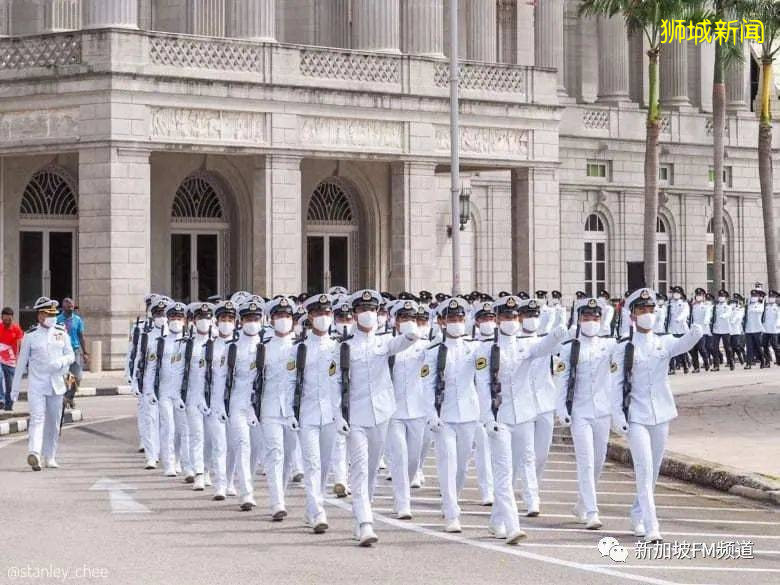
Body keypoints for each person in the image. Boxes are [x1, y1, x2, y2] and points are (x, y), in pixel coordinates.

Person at [613, 288, 704, 543]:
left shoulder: (664, 342)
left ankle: (637, 513)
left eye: (651, 310)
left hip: (661, 413)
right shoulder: (624, 348)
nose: (647, 315)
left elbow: (684, 343)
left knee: (653, 472)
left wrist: (696, 328)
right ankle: (652, 526)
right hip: (636, 415)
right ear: (632, 315)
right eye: (642, 311)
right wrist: (617, 417)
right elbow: (614, 386)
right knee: (643, 468)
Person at [341, 289, 418, 546]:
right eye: (363, 310)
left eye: (372, 310)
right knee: (360, 470)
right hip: (355, 416)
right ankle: (365, 523)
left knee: (372, 470)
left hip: (382, 413)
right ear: (354, 315)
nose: (368, 314)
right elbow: (335, 384)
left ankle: (363, 513)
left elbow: (403, 342)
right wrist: (337, 414)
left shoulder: (384, 342)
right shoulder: (344, 347)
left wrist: (410, 331)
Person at [556, 298, 624, 530]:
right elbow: (561, 381)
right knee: (585, 461)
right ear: (579, 319)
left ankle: (581, 503)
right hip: (580, 411)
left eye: (595, 317)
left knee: (598, 462)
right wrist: (561, 410)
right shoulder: (569, 348)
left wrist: (607, 312)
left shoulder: (610, 345)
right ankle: (592, 511)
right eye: (586, 317)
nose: (591, 322)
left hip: (602, 411)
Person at [422, 297, 480, 534]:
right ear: (441, 322)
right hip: (444, 414)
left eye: (460, 319)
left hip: (468, 413)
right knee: (448, 463)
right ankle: (451, 511)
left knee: (462, 467)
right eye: (452, 319)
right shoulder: (434, 350)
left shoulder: (473, 348)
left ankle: (452, 499)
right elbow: (427, 384)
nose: (457, 323)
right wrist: (431, 413)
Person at [11, 297, 74, 471]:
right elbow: (21, 363)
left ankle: (51, 456)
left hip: (57, 384)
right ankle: (34, 454)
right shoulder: (30, 336)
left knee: (53, 422)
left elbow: (71, 355)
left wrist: (60, 362)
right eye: (48, 314)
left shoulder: (61, 332)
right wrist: (14, 389)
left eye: (53, 314)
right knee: (37, 419)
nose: (52, 317)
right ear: (39, 315)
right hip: (37, 385)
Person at [386, 299, 430, 520]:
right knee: (400, 457)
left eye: (412, 319)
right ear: (395, 321)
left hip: (418, 409)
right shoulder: (387, 345)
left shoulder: (425, 346)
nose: (409, 323)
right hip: (393, 411)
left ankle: (403, 494)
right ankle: (403, 502)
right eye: (404, 318)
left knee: (413, 459)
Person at [259, 296, 299, 521]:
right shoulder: (263, 348)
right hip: (270, 408)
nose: (283, 320)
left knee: (289, 455)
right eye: (279, 316)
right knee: (275, 454)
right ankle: (277, 502)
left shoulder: (300, 346)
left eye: (287, 316)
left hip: (293, 410)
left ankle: (280, 493)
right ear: (272, 319)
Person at [225, 298, 265, 511]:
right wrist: (218, 407)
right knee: (242, 445)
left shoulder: (266, 346)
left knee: (256, 449)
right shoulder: (232, 348)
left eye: (255, 318)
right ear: (241, 321)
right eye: (248, 318)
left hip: (259, 405)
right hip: (238, 403)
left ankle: (245, 480)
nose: (252, 322)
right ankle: (246, 492)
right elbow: (222, 380)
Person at [56, 298, 88, 409]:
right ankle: (68, 398)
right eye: (67, 306)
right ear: (63, 307)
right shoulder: (58, 319)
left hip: (75, 351)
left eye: (71, 306)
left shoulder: (77, 320)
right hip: (62, 352)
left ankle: (68, 397)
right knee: (67, 377)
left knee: (77, 377)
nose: (70, 308)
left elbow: (81, 336)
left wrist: (85, 352)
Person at [0, 307, 24, 411]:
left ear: (12, 318)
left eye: (9, 320)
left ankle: (8, 406)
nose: (7, 322)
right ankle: (1, 400)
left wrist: (19, 361)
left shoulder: (17, 329)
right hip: (0, 358)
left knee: (10, 385)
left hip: (11, 361)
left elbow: (20, 346)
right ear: (2, 318)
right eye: (5, 320)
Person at [710, 289, 734, 371]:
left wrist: (724, 315)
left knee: (727, 347)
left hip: (725, 329)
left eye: (722, 296)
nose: (720, 298)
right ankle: (716, 365)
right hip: (716, 329)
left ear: (726, 298)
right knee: (714, 348)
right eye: (720, 296)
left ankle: (731, 362)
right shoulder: (715, 306)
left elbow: (729, 314)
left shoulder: (728, 307)